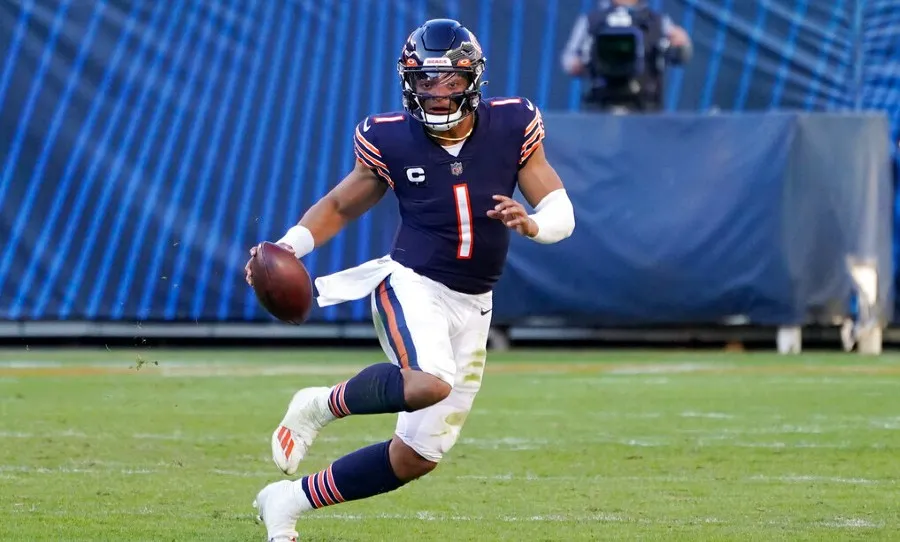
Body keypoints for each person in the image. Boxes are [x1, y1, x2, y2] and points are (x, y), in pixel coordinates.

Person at [245, 18, 575, 541]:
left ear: (473, 79)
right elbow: (337, 204)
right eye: (425, 80)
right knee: (428, 382)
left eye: (449, 80)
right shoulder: (391, 138)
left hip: (475, 302)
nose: (437, 93)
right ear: (408, 81)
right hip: (413, 282)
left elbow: (560, 209)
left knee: (415, 457)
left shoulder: (513, 124)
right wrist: (288, 247)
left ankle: (286, 501)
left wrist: (533, 224)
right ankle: (318, 403)